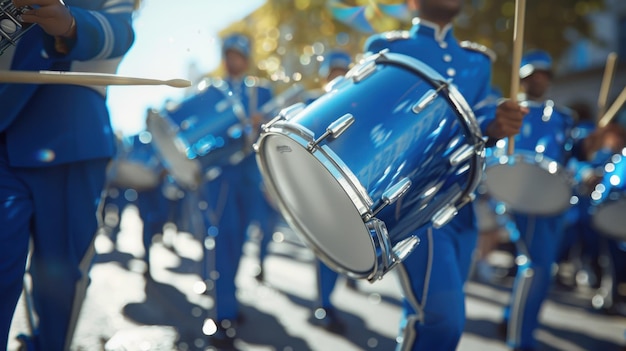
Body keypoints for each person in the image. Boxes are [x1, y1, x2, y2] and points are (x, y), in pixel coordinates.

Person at [363, 1, 527, 350]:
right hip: (413, 204)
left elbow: (480, 121)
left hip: (463, 203)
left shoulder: (477, 61)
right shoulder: (387, 48)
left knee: (428, 316)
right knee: (443, 321)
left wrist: (499, 123)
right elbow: (372, 125)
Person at [0, 0, 138, 350]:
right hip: (5, 131)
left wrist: (70, 24)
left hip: (70, 137)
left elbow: (120, 32)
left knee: (59, 281)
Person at [164, 32, 274, 348]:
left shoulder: (261, 91)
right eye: (228, 53)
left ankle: (229, 296)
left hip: (250, 175)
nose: (232, 58)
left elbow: (272, 131)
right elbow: (187, 128)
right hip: (220, 175)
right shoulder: (212, 91)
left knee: (239, 240)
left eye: (238, 53)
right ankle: (224, 310)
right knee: (222, 237)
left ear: (247, 57)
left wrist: (261, 122)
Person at [498, 50, 576, 351]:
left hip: (555, 201)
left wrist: (588, 150)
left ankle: (512, 319)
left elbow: (574, 155)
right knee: (535, 267)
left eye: (544, 76)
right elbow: (502, 157)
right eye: (533, 76)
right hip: (524, 198)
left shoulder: (563, 117)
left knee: (540, 268)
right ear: (523, 80)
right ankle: (520, 340)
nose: (539, 81)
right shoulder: (512, 110)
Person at [304, 49, 356, 334]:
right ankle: (323, 304)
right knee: (325, 248)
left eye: (342, 71)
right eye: (333, 72)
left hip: (347, 187)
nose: (338, 76)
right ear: (325, 76)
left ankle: (326, 301)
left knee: (341, 246)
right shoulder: (313, 103)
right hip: (320, 186)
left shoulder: (358, 102)